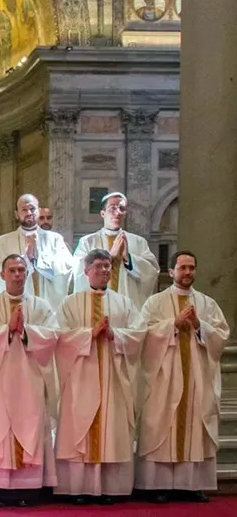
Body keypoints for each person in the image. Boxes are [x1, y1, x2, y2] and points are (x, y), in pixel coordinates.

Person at [136, 251, 230, 503]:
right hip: (165, 376)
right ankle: (160, 486)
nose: (188, 273)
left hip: (198, 375)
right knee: (162, 426)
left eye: (192, 268)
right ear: (171, 272)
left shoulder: (207, 304)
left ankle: (192, 485)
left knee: (195, 424)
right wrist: (172, 324)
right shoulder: (154, 303)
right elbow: (142, 334)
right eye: (182, 268)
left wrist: (200, 326)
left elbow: (221, 335)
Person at [55, 249, 146, 503]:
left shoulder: (123, 302)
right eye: (98, 266)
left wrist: (115, 334)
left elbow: (139, 334)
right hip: (81, 376)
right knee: (79, 428)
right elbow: (59, 336)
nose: (104, 271)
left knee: (112, 428)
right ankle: (79, 489)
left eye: (107, 266)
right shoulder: (70, 303)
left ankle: (109, 488)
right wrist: (89, 334)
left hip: (113, 377)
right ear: (86, 271)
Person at [0, 254, 58, 507]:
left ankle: (28, 487)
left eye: (22, 270)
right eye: (12, 270)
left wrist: (26, 332)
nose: (18, 275)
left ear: (28, 274)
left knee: (29, 423)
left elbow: (53, 336)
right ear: (2, 275)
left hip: (30, 376)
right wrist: (6, 330)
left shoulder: (41, 306)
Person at [73, 192, 159, 308]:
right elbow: (77, 270)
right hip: (97, 304)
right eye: (112, 208)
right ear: (103, 213)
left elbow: (152, 271)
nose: (117, 212)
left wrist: (129, 259)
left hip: (128, 305)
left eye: (122, 209)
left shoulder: (138, 242)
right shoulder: (88, 242)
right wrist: (110, 257)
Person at [0, 194, 73, 311]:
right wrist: (26, 260)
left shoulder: (55, 239)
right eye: (24, 209)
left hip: (48, 306)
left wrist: (37, 260)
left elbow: (66, 268)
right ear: (16, 214)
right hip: (16, 306)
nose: (29, 213)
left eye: (32, 209)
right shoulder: (3, 241)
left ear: (38, 211)